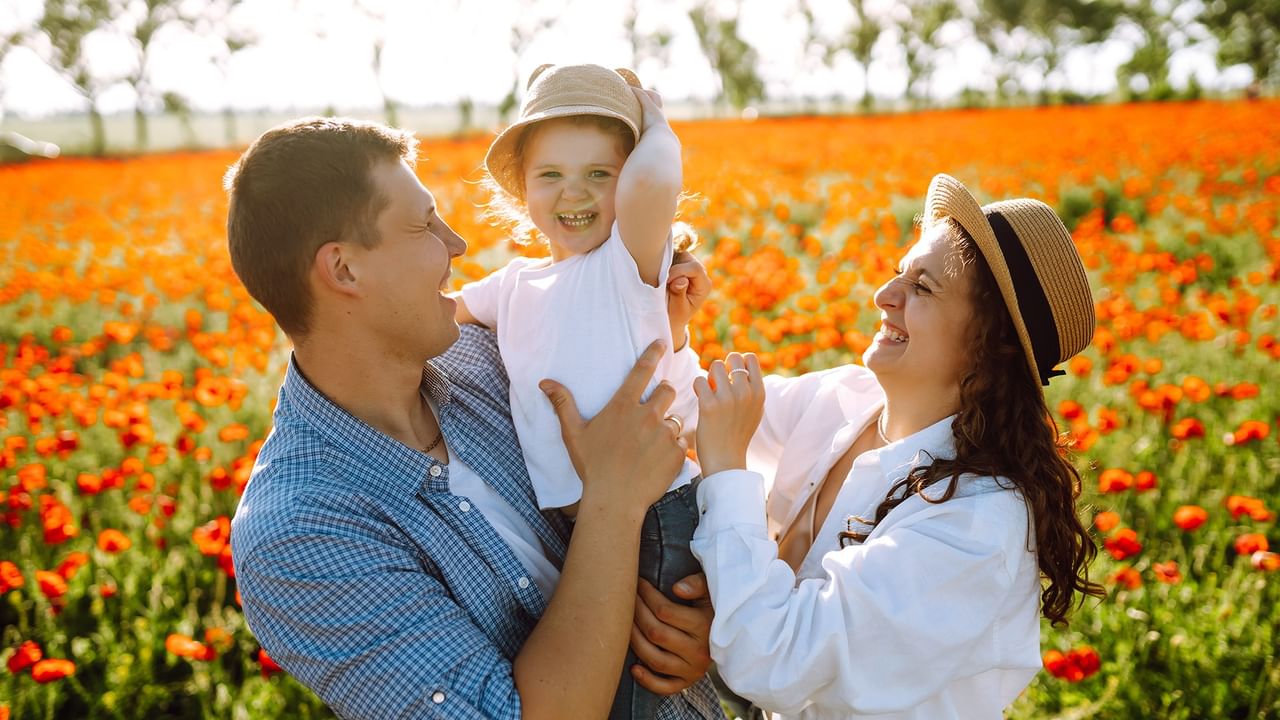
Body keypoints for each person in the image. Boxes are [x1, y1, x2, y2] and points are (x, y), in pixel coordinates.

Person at [224, 116, 724, 719]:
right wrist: (611, 506)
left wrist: (700, 628)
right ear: (344, 270)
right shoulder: (300, 535)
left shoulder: (492, 359)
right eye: (423, 224)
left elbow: (659, 443)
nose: (456, 243)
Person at [688, 174, 1106, 720]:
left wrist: (725, 472)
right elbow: (678, 410)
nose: (884, 296)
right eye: (898, 274)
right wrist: (669, 315)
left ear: (990, 348)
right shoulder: (845, 397)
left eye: (923, 288)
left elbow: (774, 658)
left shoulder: (977, 523)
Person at [455, 64, 705, 719]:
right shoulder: (511, 285)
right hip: (585, 528)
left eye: (601, 173)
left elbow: (656, 180)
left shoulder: (625, 266)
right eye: (551, 175)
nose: (575, 192)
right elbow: (434, 313)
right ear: (521, 191)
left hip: (654, 509)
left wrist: (653, 115)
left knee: (638, 696)